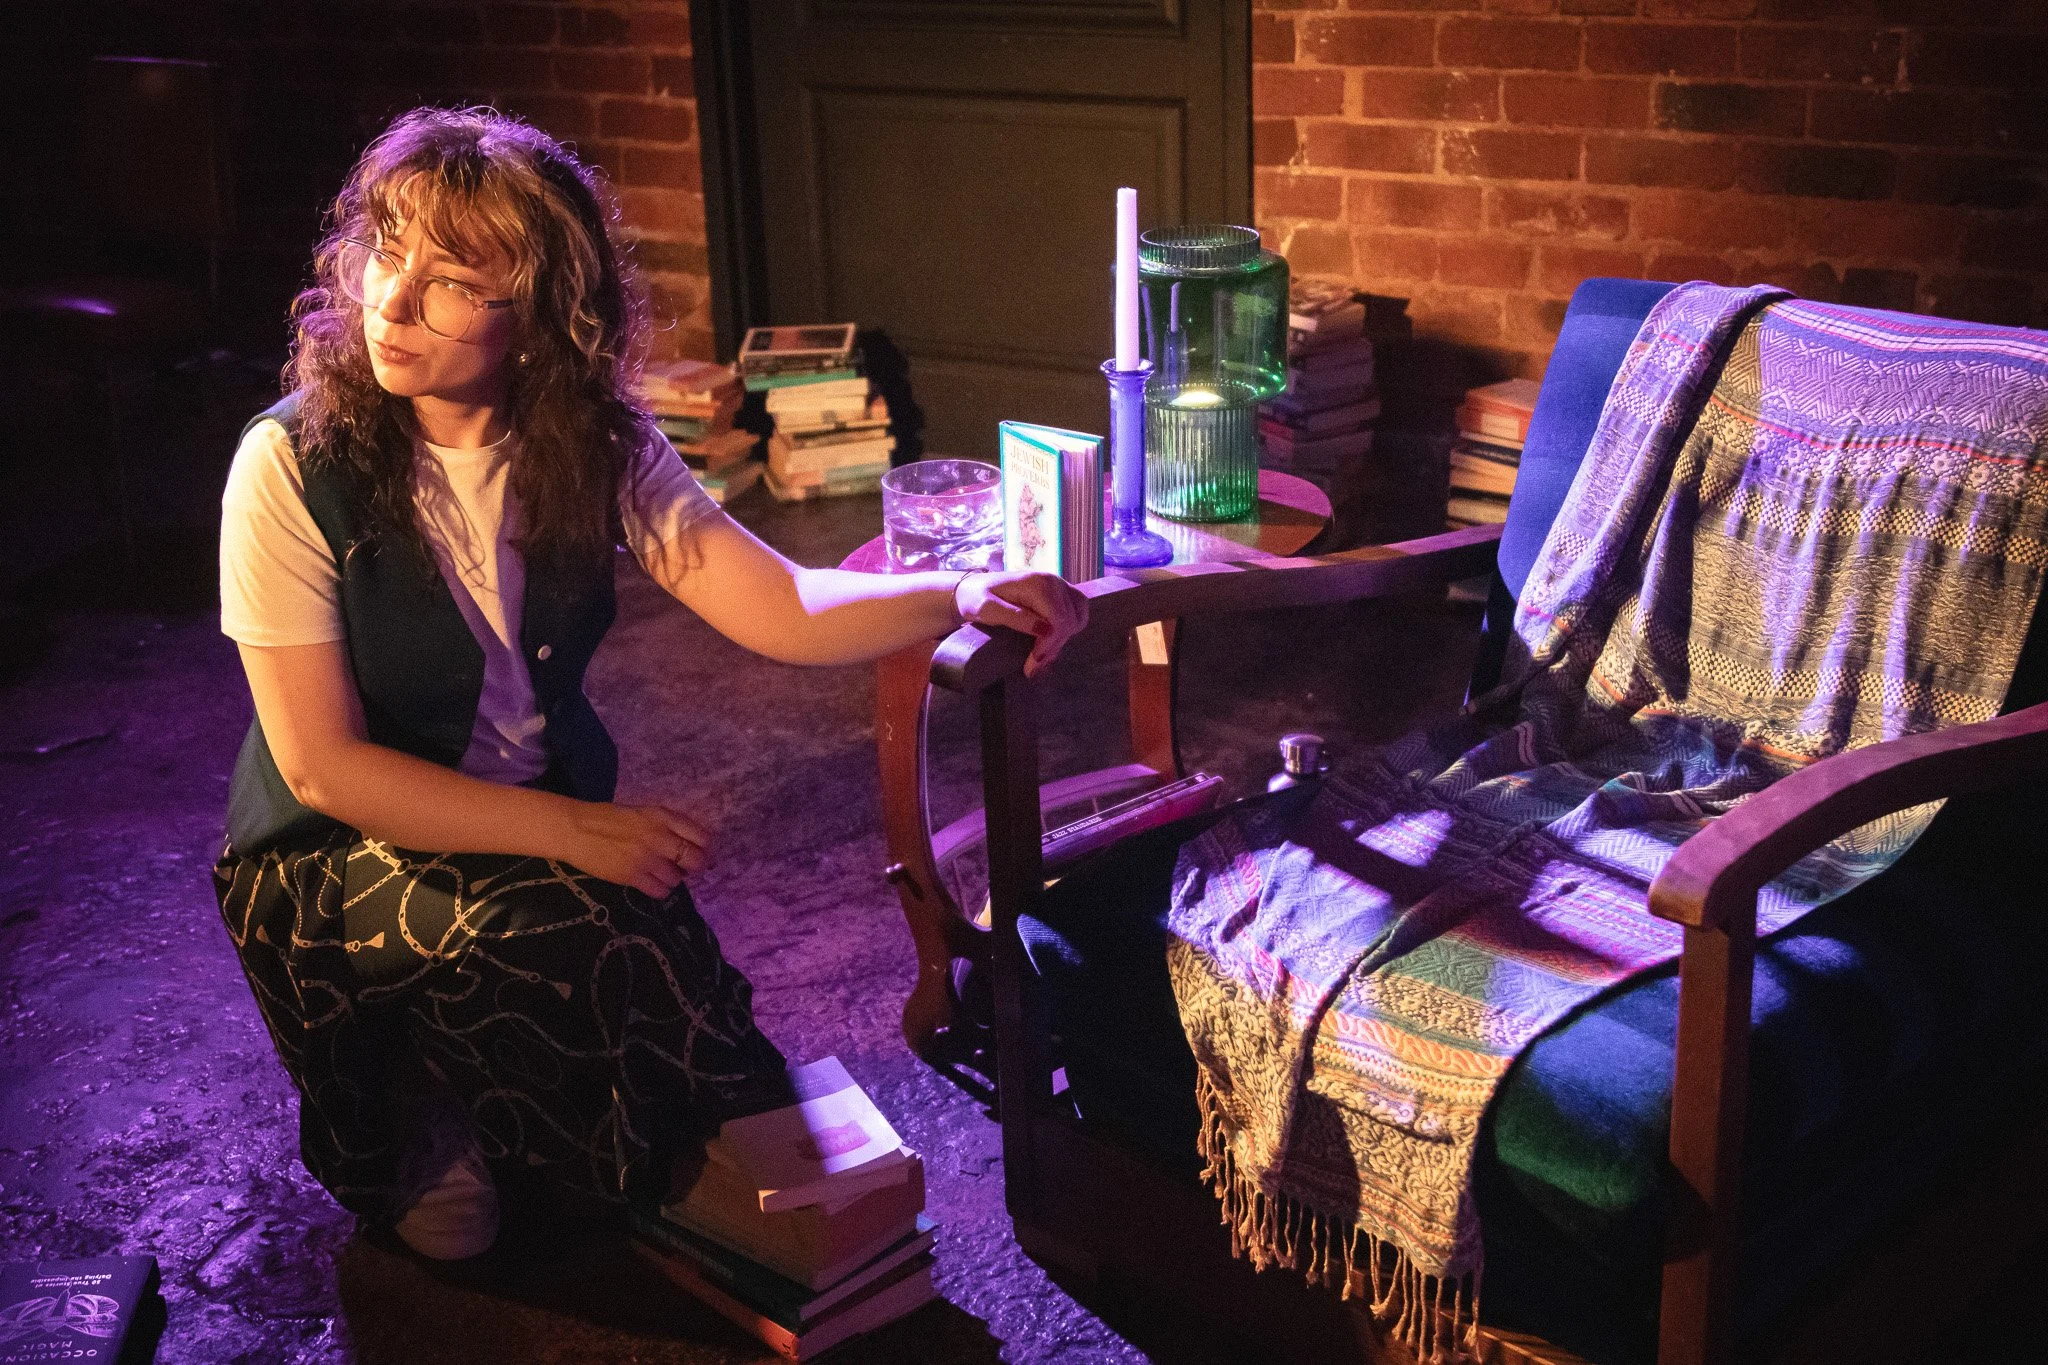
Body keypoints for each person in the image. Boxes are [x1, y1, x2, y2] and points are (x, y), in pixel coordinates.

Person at [214, 107, 1086, 1261]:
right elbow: (325, 767)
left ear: (536, 316)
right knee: (560, 994)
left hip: (536, 815)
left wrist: (961, 595)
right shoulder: (291, 464)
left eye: (448, 278)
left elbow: (777, 604)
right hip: (328, 858)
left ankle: (739, 1211)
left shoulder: (591, 439)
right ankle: (406, 1105)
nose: (391, 298)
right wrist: (572, 828)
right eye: (386, 251)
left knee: (695, 1033)